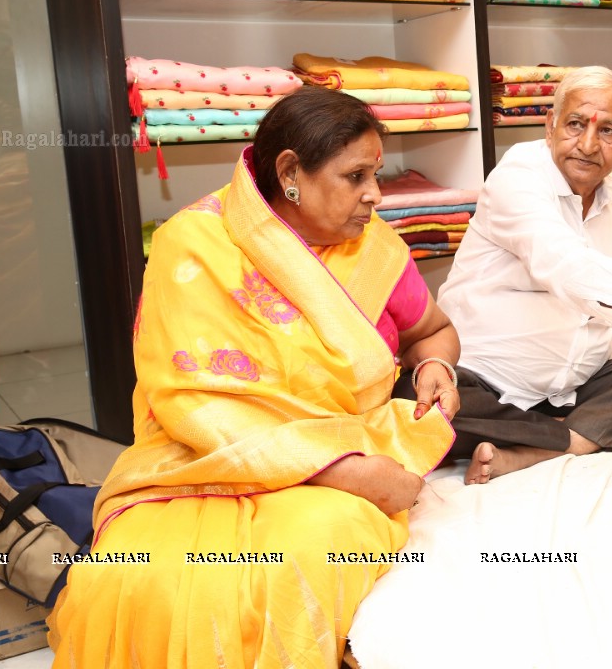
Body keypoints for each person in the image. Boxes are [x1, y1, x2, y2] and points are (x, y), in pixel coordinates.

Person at [48, 85, 460, 668]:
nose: (376, 195)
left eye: (378, 173)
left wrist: (437, 366)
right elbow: (191, 401)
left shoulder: (374, 249)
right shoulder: (192, 244)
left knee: (301, 560)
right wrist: (349, 474)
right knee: (131, 581)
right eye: (355, 176)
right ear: (290, 172)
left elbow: (433, 331)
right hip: (204, 459)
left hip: (341, 458)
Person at [428, 65, 612, 484]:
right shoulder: (518, 176)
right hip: (486, 382)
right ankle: (580, 435)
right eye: (575, 125)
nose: (588, 145)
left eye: (608, 132)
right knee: (424, 406)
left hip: (577, 386)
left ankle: (541, 446)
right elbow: (562, 261)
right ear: (550, 126)